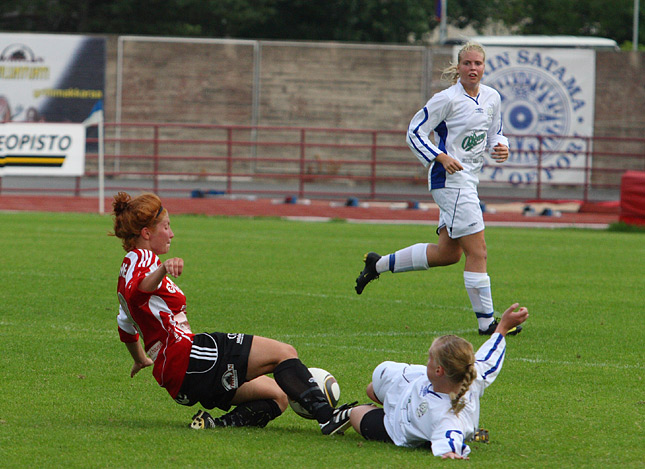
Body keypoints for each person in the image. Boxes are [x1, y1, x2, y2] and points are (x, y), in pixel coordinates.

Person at [111, 191, 355, 434]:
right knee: (284, 353)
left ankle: (215, 424)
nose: (171, 233)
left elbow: (126, 326)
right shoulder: (142, 259)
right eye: (166, 226)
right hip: (188, 357)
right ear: (146, 233)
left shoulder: (127, 268)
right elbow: (138, 292)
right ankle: (328, 417)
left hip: (181, 377)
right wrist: (163, 268)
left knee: (278, 397)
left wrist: (140, 359)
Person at [355, 42, 519, 336]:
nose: (473, 68)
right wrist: (439, 157)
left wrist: (502, 147)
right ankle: (487, 324)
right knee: (478, 251)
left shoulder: (492, 97)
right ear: (458, 67)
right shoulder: (446, 99)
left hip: (468, 180)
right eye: (467, 63)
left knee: (448, 254)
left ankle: (377, 265)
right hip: (449, 181)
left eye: (478, 63)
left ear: (484, 67)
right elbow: (414, 131)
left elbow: (496, 133)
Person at [345, 303, 529, 459]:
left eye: (429, 358)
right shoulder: (472, 373)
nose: (427, 360)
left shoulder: (445, 416)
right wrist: (503, 327)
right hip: (412, 386)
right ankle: (463, 433)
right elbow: (490, 356)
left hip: (398, 427)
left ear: (439, 370)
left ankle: (429, 437)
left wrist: (449, 452)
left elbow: (450, 435)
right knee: (374, 385)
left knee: (356, 413)